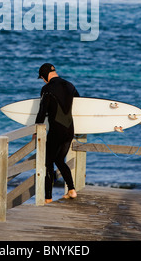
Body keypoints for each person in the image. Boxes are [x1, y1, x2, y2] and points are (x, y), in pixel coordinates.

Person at [35, 63, 79, 204]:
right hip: (69, 131)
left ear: (45, 75)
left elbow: (42, 111)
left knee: (48, 162)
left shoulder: (47, 89)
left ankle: (48, 198)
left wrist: (36, 130)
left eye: (42, 78)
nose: (43, 81)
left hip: (56, 131)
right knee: (59, 160)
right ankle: (71, 190)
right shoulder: (70, 85)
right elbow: (80, 104)